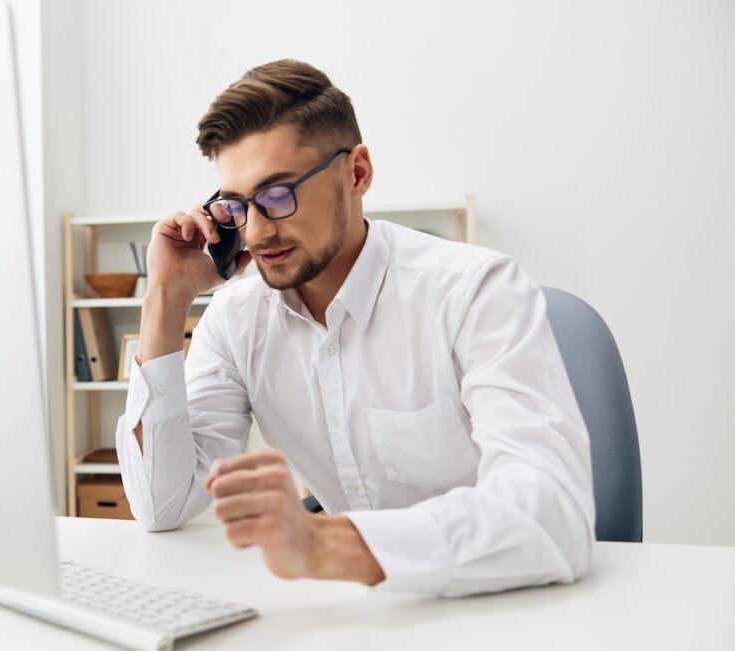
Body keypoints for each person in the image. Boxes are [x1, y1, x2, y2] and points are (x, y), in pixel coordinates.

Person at [115, 59, 595, 597]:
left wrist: (325, 546)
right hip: (358, 616)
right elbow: (164, 504)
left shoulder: (475, 292)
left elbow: (554, 514)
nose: (257, 230)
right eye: (237, 205)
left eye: (277, 195)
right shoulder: (236, 320)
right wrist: (165, 297)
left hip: (508, 604)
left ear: (357, 173)